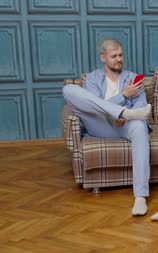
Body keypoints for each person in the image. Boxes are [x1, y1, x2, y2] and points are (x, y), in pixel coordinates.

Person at [62, 39, 152, 216]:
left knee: (140, 127)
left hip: (125, 124)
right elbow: (96, 107)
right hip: (99, 124)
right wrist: (123, 98)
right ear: (103, 57)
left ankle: (140, 197)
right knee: (68, 90)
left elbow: (142, 107)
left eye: (120, 55)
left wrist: (126, 116)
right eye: (114, 56)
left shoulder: (132, 78)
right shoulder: (93, 79)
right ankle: (124, 112)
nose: (119, 59)